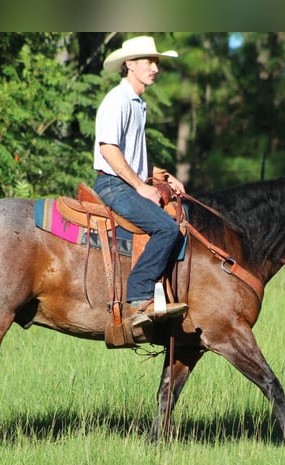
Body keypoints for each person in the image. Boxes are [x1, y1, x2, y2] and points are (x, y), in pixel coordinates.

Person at [93, 35, 188, 328]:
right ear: (130, 64)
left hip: (126, 181)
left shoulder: (138, 103)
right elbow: (108, 148)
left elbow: (132, 155)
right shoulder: (118, 100)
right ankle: (139, 295)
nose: (155, 67)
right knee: (166, 229)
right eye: (149, 61)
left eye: (156, 62)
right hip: (113, 184)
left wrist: (162, 175)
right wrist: (140, 186)